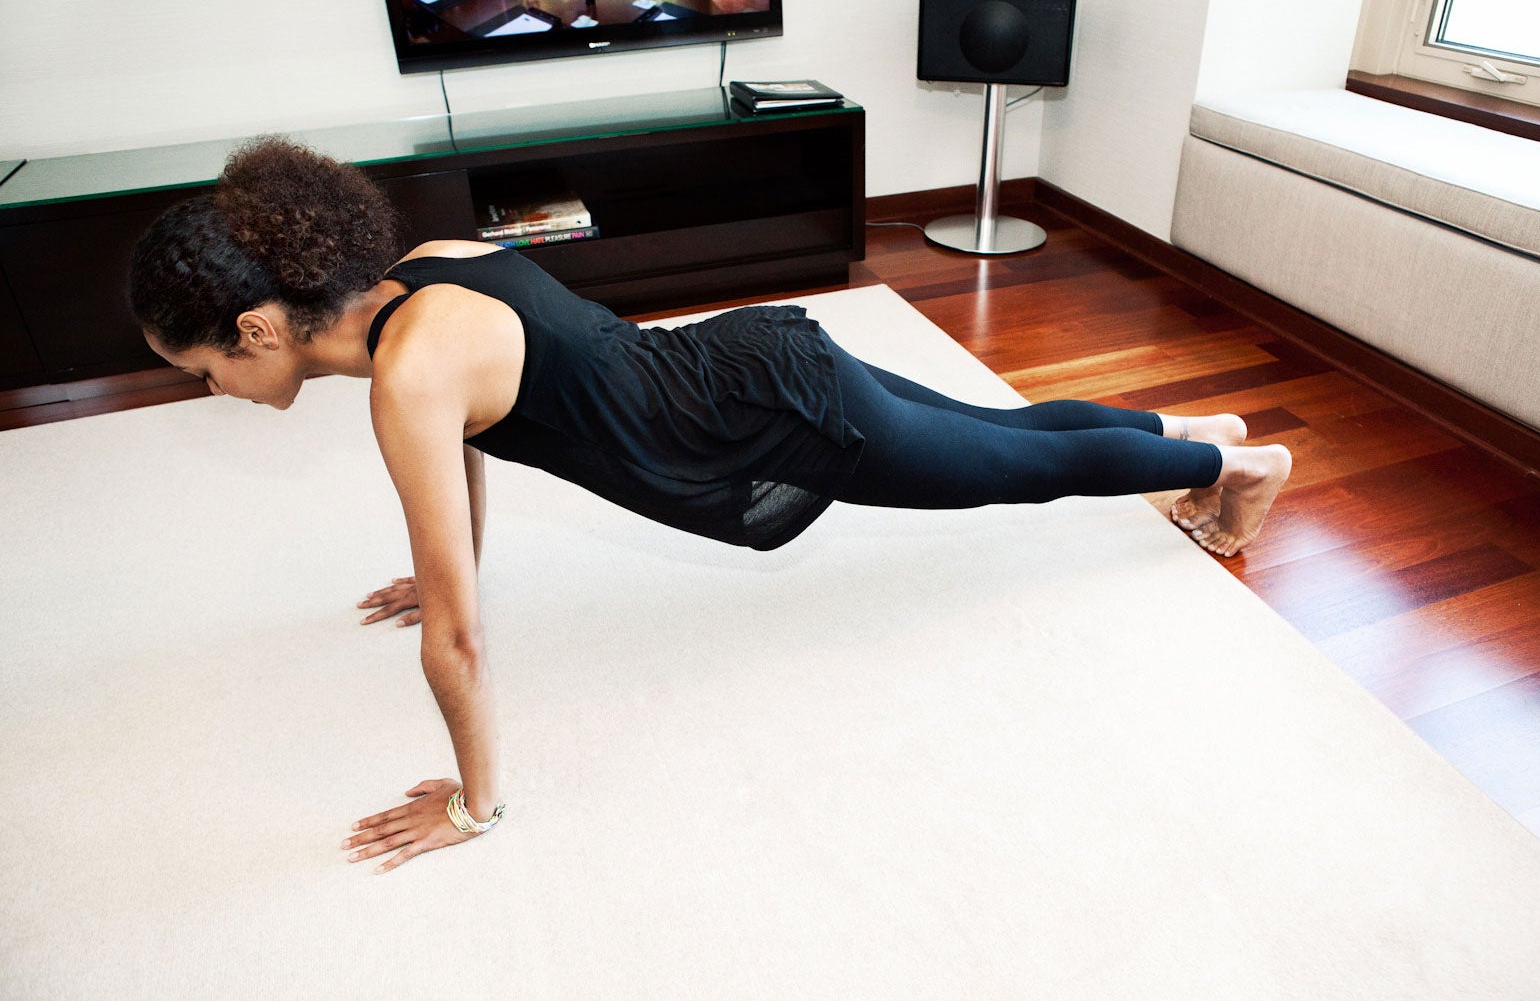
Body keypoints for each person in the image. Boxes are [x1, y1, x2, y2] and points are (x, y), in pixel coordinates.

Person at [128, 137, 1291, 875]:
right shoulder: (426, 269)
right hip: (755, 360)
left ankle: (1234, 471)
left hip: (777, 417)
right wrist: (446, 563)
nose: (215, 390)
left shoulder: (406, 375)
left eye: (202, 369)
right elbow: (468, 440)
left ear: (260, 328)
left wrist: (472, 805)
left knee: (1009, 468)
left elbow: (460, 639)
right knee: (998, 433)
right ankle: (1198, 432)